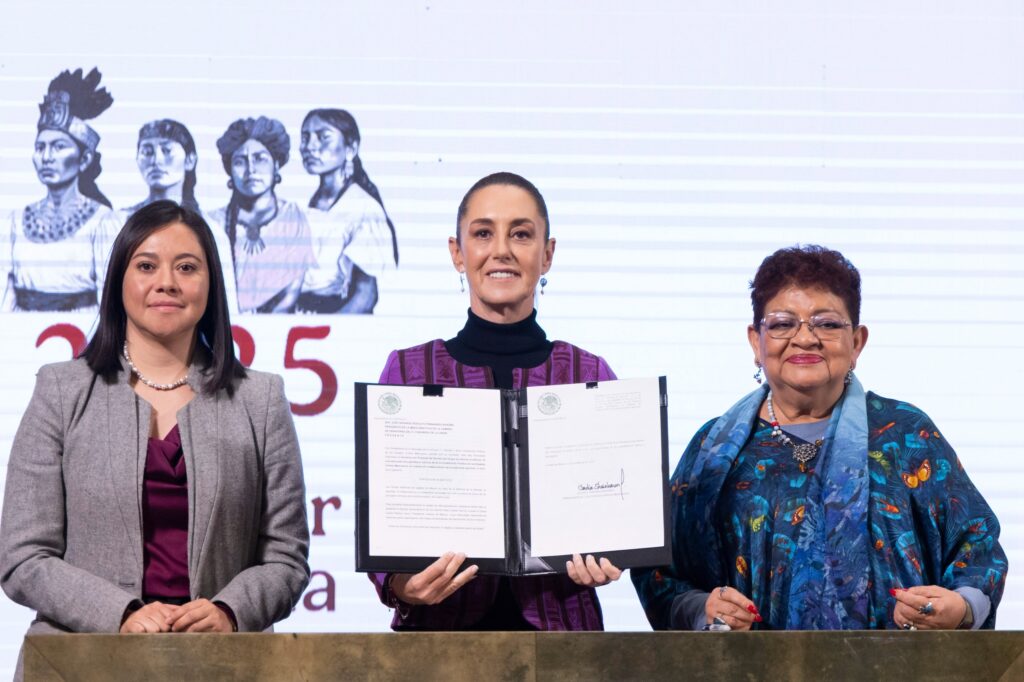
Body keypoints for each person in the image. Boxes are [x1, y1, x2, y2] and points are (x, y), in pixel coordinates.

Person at [0, 201, 310, 678]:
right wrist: (119, 613)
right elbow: (23, 556)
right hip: (79, 664)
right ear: (119, 280)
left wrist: (230, 611)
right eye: (146, 265)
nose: (166, 281)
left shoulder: (261, 399)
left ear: (210, 285)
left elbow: (286, 558)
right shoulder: (61, 390)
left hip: (221, 666)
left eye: (187, 267)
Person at [631, 245, 1007, 631]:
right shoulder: (710, 452)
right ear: (755, 341)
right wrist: (701, 609)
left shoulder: (905, 434)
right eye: (781, 324)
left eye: (826, 324)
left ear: (857, 342)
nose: (805, 338)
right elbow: (660, 571)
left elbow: (978, 548)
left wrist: (960, 607)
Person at [369, 172, 621, 630]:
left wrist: (615, 550)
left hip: (566, 652)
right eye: (483, 233)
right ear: (457, 253)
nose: (501, 249)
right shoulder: (407, 373)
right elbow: (381, 514)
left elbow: (616, 515)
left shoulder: (590, 375)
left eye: (521, 234)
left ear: (547, 255)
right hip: (438, 648)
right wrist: (400, 585)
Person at [1, 67, 121, 312]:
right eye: (40, 147)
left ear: (84, 159)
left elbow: (111, 302)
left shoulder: (102, 222)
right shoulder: (14, 222)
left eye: (58, 147)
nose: (46, 157)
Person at [298, 108, 398, 314]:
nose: (310, 146)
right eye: (305, 137)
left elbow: (366, 296)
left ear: (351, 148)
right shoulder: (304, 205)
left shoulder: (363, 208)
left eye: (323, 137)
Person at [210, 116, 314, 313]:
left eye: (260, 159)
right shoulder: (213, 222)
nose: (251, 170)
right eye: (240, 161)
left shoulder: (293, 217)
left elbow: (291, 292)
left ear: (276, 165)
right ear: (229, 170)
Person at [124, 119, 201, 214]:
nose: (156, 161)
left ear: (190, 160)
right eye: (147, 152)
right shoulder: (119, 221)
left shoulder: (208, 225)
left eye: (167, 150)